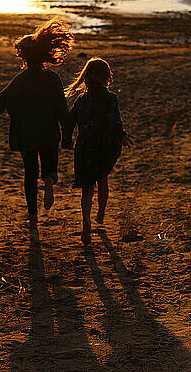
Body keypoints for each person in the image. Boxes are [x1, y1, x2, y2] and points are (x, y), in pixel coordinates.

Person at [0, 19, 74, 229]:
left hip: (26, 134)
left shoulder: (20, 81)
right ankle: (49, 180)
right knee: (50, 167)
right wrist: (68, 134)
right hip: (49, 133)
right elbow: (63, 110)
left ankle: (33, 215)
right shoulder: (53, 79)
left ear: (23, 58)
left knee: (29, 173)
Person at [63, 57, 130, 245]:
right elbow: (115, 120)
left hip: (84, 146)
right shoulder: (111, 98)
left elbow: (69, 122)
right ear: (106, 77)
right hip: (104, 146)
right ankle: (100, 213)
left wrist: (67, 141)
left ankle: (86, 222)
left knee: (87, 187)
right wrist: (122, 135)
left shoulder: (81, 99)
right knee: (102, 179)